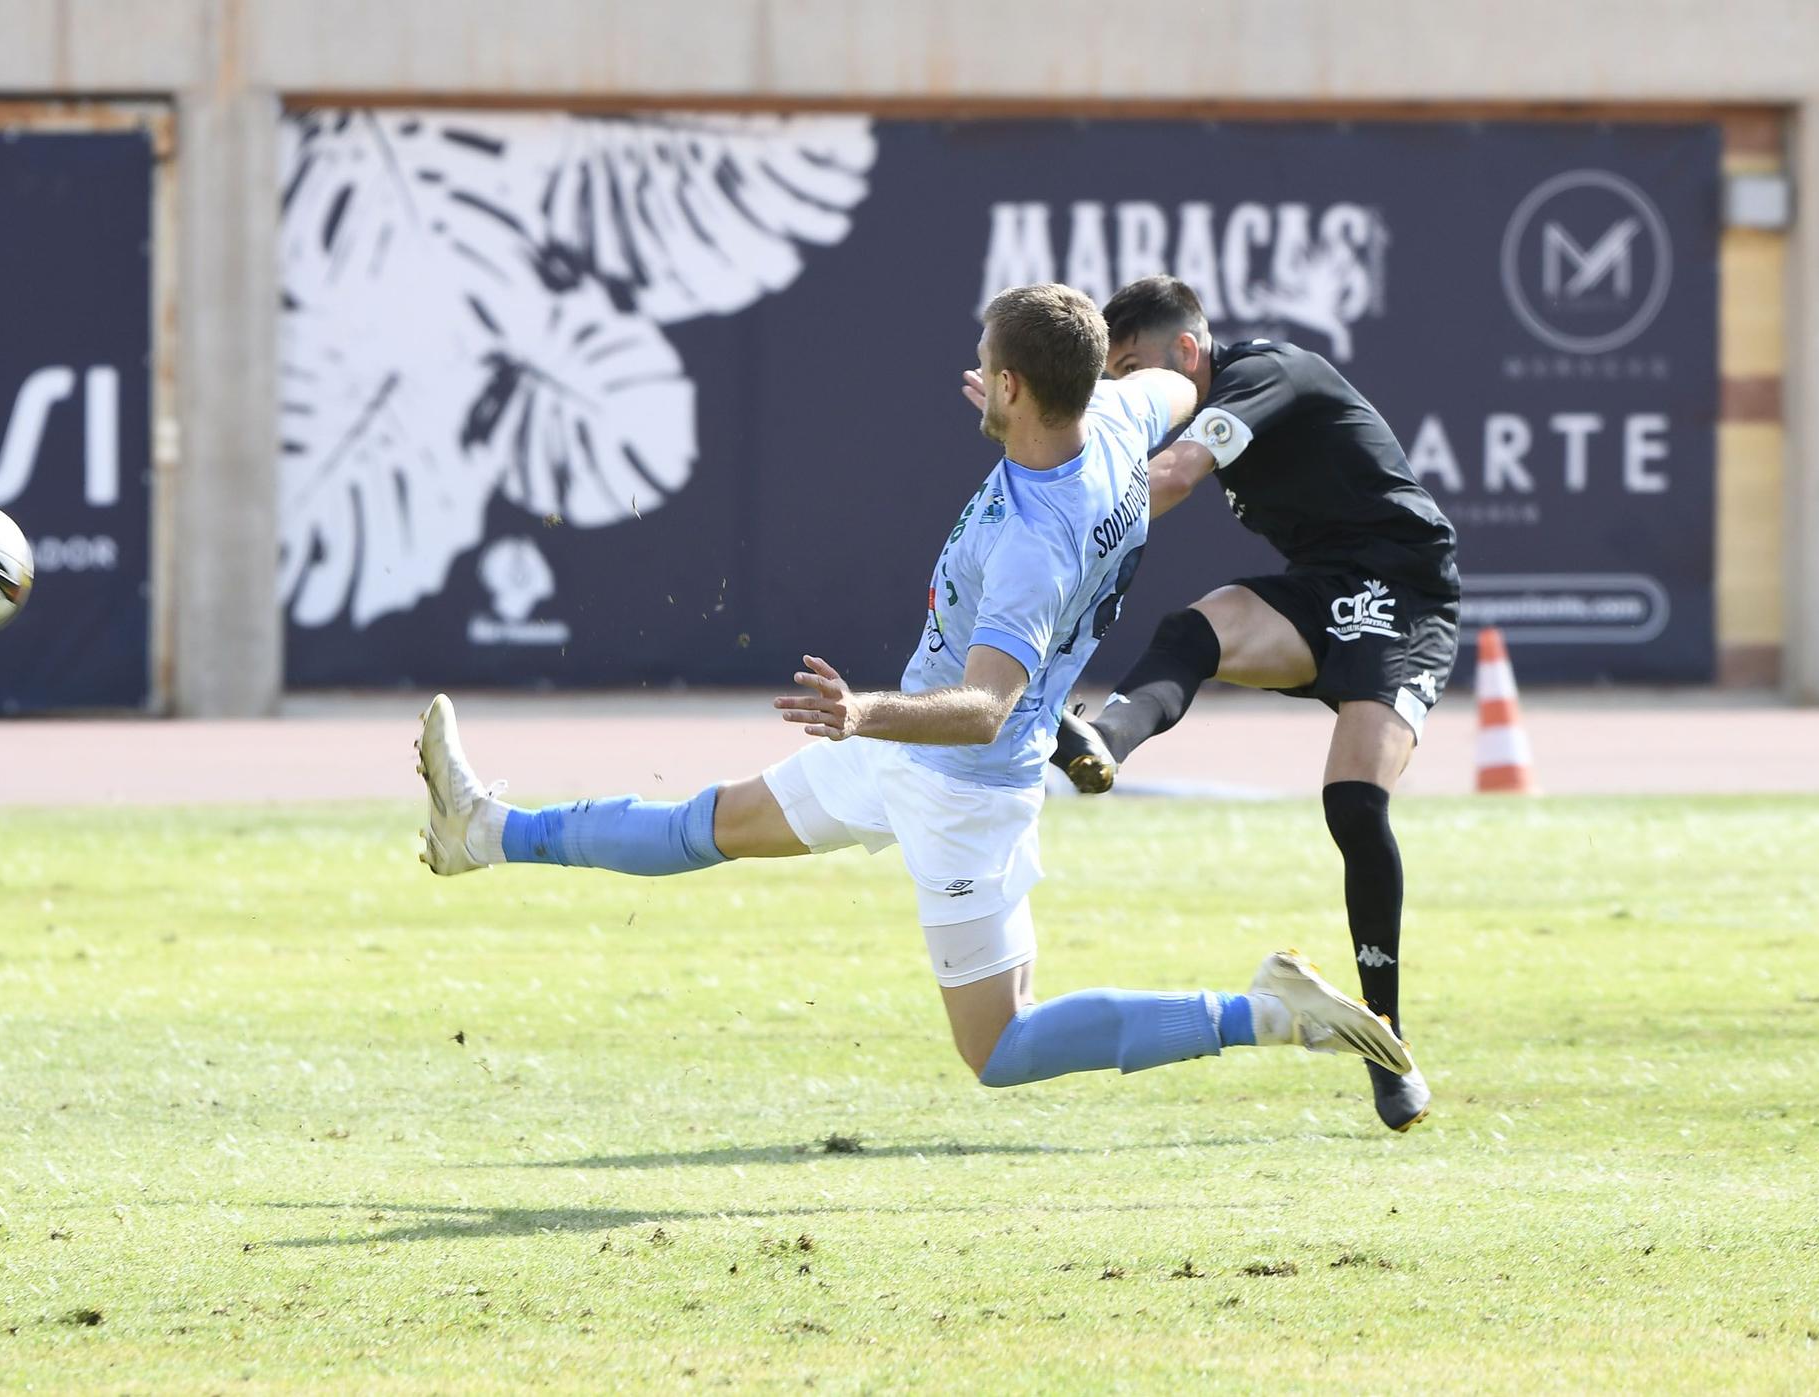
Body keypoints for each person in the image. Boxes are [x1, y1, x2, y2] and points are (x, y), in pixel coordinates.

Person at [415, 281, 1414, 1100]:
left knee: (1001, 1049)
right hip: (902, 750)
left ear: (1014, 386)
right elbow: (1174, 391)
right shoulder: (1116, 411)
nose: (976, 374)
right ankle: (483, 830)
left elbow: (980, 706)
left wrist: (859, 713)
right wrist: (1034, 399)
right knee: (700, 825)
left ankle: (1264, 1010)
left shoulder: (1035, 544)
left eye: (991, 366)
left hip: (960, 781)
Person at [1033, 275, 1458, 1132]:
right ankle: (1105, 744)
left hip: (1403, 598)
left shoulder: (1269, 369)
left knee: (1353, 803)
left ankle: (1386, 1034)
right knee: (1194, 629)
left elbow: (1177, 476)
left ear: (1186, 353)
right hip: (1316, 593)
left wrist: (1064, 530)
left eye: (1131, 367)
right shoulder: (1166, 399)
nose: (1124, 388)